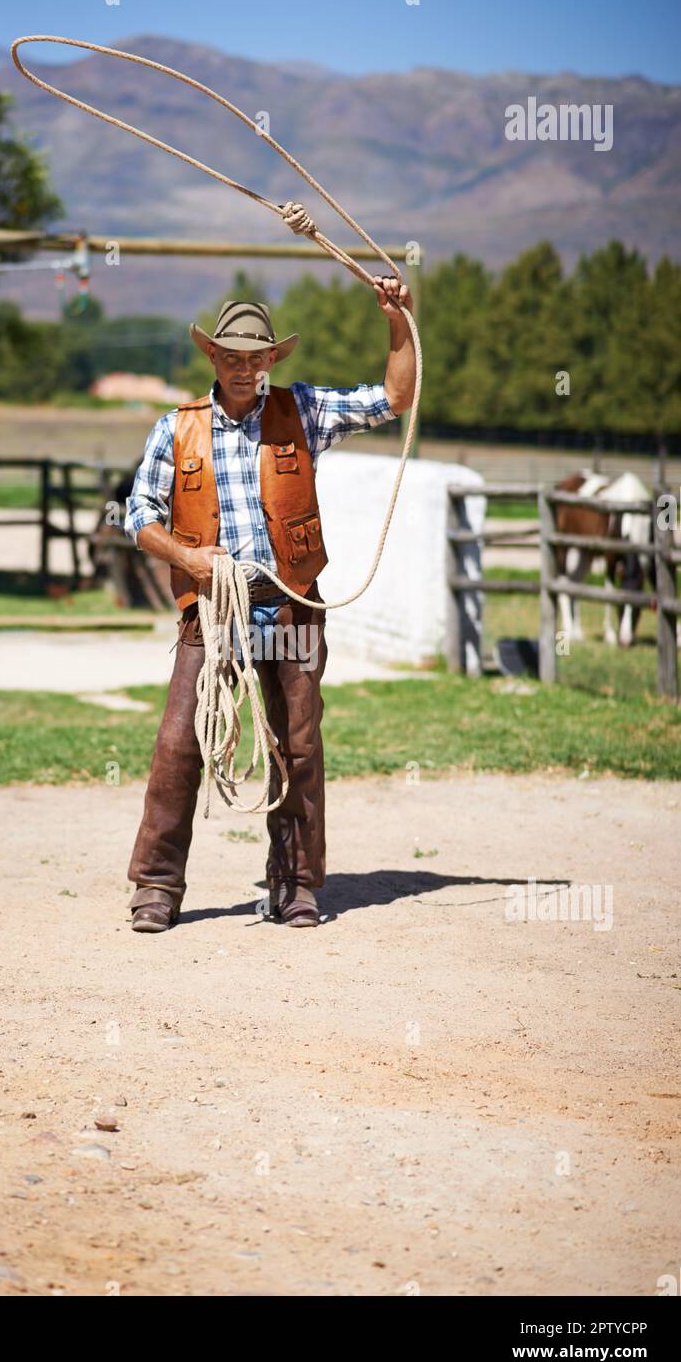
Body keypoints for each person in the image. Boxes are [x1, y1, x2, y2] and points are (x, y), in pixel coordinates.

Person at [124, 281, 416, 932]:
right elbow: (139, 517)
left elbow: (394, 398)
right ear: (212, 357)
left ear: (271, 362)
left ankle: (295, 887)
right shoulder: (176, 429)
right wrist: (191, 560)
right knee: (179, 745)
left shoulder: (304, 410)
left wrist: (398, 324)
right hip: (211, 607)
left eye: (255, 356)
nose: (243, 365)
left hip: (290, 609)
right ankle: (156, 887)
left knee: (298, 746)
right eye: (231, 353)